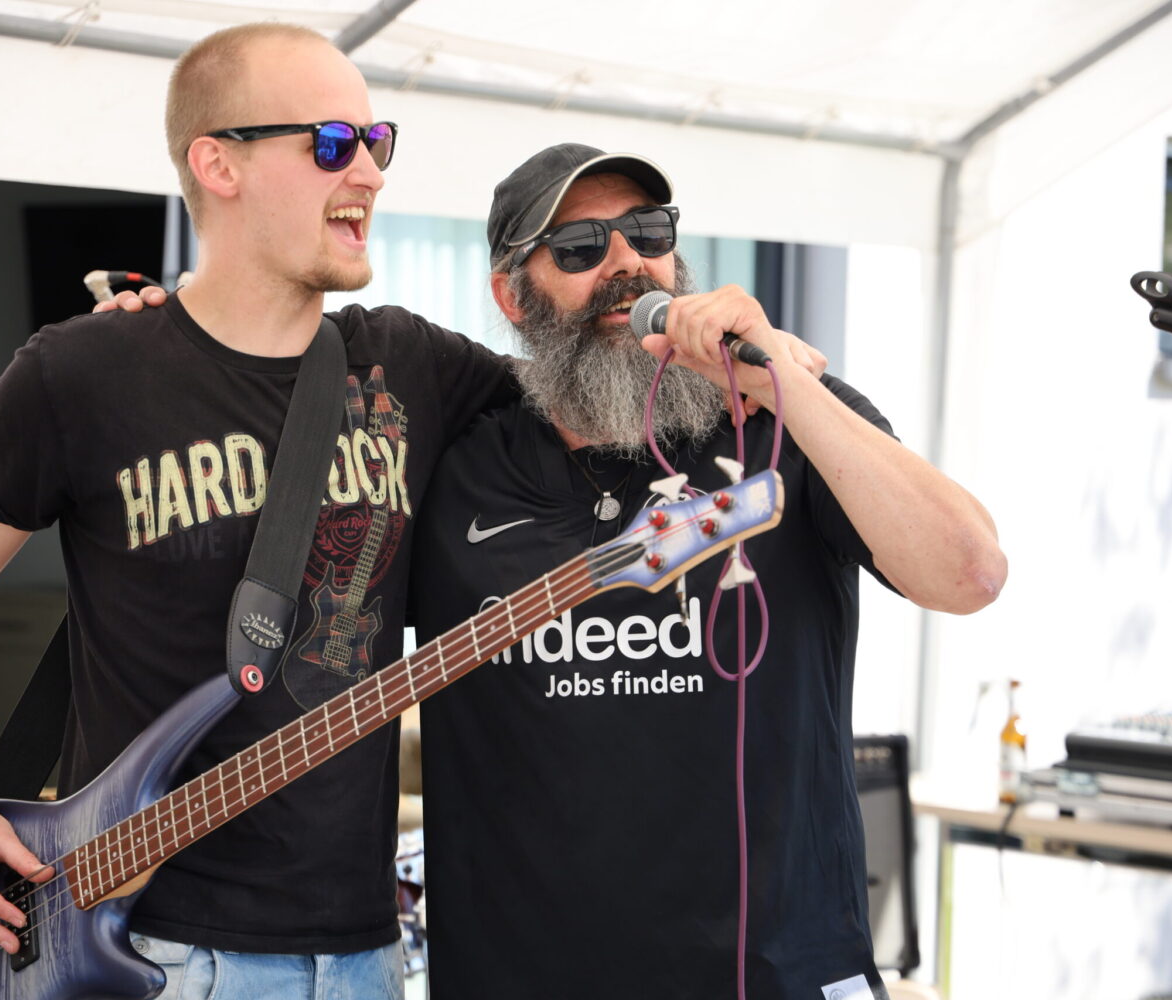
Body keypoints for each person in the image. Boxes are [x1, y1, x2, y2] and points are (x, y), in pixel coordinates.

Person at [0, 22, 516, 1000]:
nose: (371, 175)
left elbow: (584, 412)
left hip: (364, 954)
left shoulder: (412, 363)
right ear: (216, 163)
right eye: (330, 145)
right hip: (156, 954)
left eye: (375, 140)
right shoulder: (81, 373)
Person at [405, 145, 1007, 999]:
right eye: (580, 246)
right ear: (513, 294)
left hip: (778, 975)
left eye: (648, 232)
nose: (627, 264)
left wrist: (775, 377)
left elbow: (971, 572)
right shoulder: (454, 464)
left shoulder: (781, 416)